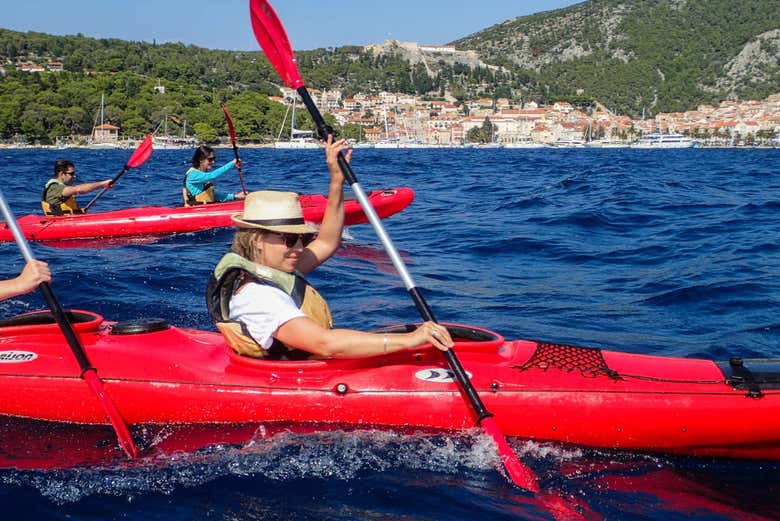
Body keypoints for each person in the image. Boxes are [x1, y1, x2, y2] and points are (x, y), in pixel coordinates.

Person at [207, 135, 453, 360]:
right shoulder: (257, 296)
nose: (300, 248)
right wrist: (411, 340)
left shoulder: (274, 270)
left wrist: (336, 182)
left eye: (302, 239)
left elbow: (326, 242)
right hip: (294, 380)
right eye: (289, 240)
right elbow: (326, 345)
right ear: (257, 240)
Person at [41, 160, 113, 215]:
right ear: (62, 174)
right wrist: (102, 184)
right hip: (60, 224)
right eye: (71, 174)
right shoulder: (54, 187)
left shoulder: (64, 187)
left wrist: (79, 211)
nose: (74, 176)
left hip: (70, 220)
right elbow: (78, 189)